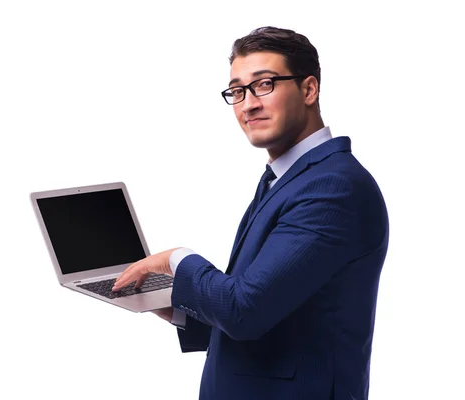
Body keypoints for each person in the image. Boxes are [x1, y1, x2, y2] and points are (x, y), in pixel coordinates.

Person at [112, 26, 389, 400]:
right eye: (238, 91)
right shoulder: (283, 178)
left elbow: (244, 311)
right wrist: (174, 306)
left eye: (264, 84)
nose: (248, 104)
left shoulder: (333, 187)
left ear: (309, 90)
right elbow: (267, 311)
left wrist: (177, 262)